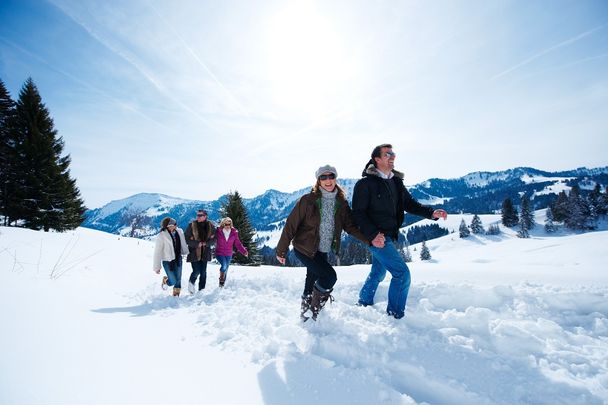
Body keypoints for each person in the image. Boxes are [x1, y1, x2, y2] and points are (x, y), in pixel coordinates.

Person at [352, 144, 448, 319]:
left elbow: (409, 204)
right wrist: (373, 235)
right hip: (376, 238)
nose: (392, 157)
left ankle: (363, 301)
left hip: (389, 235)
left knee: (378, 272)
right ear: (377, 159)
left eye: (393, 154)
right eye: (388, 154)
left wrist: (431, 213)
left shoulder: (396, 182)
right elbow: (358, 214)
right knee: (402, 274)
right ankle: (395, 315)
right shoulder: (364, 184)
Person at [276, 165, 368, 321]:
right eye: (323, 177)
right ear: (318, 181)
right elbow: (291, 224)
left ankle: (306, 312)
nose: (327, 180)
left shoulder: (341, 202)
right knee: (329, 277)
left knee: (312, 278)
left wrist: (369, 240)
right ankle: (314, 309)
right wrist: (281, 250)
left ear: (335, 178)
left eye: (330, 176)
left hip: (322, 249)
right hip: (304, 247)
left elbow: (350, 226)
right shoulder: (307, 200)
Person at [152, 217, 189, 297]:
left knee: (178, 279)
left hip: (178, 258)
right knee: (173, 281)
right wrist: (157, 267)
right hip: (167, 261)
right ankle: (166, 281)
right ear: (168, 226)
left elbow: (183, 242)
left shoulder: (179, 232)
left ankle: (176, 296)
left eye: (175, 224)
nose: (175, 226)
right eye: (173, 225)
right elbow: (157, 252)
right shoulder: (161, 236)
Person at [184, 209, 216, 294]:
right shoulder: (191, 225)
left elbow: (214, 239)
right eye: (197, 215)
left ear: (205, 216)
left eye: (200, 215)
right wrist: (197, 244)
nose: (198, 217)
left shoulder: (211, 226)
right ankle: (191, 283)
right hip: (194, 252)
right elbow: (186, 239)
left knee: (203, 272)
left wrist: (206, 243)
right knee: (196, 270)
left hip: (205, 252)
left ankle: (201, 290)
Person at [215, 217, 248, 287]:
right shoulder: (218, 231)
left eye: (229, 224)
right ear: (223, 224)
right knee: (223, 266)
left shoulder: (234, 232)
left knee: (226, 268)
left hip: (229, 254)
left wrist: (244, 251)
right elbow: (211, 238)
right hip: (219, 253)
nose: (227, 226)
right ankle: (221, 279)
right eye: (226, 224)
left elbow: (237, 243)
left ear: (231, 224)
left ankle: (222, 285)